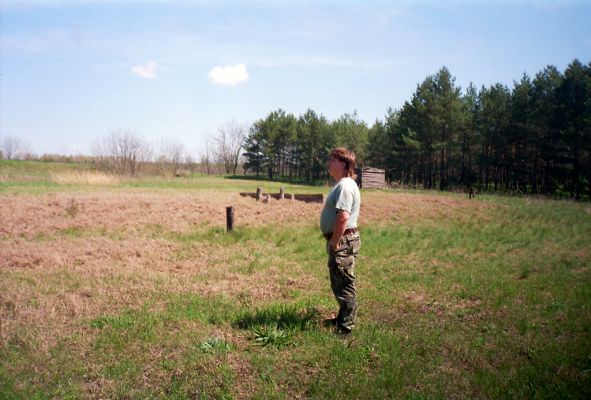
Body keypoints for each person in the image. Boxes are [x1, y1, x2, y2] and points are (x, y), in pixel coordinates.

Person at [319, 147, 361, 335]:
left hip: (342, 241)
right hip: (342, 240)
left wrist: (335, 242)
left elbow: (343, 217)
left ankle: (346, 327)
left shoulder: (345, 185)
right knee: (339, 282)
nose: (329, 163)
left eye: (333, 160)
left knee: (344, 283)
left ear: (343, 164)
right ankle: (342, 318)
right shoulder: (344, 184)